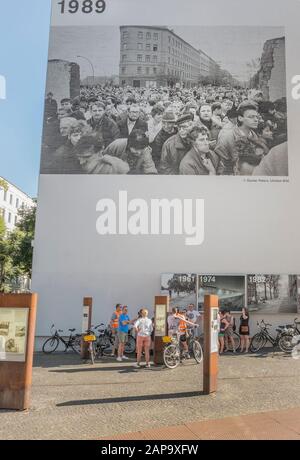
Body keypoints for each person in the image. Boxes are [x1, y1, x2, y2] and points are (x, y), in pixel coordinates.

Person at [215, 101, 259, 175]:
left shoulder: (254, 136)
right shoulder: (227, 136)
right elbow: (222, 166)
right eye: (251, 117)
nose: (256, 120)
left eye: (256, 117)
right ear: (240, 118)